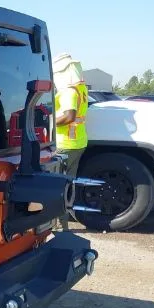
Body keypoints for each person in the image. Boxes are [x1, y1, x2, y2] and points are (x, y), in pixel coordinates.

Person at [52, 53, 88, 230]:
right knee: (68, 184)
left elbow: (69, 115)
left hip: (64, 144)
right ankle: (63, 221)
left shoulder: (68, 91)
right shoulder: (81, 89)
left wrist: (48, 121)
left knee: (57, 186)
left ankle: (60, 223)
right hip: (78, 143)